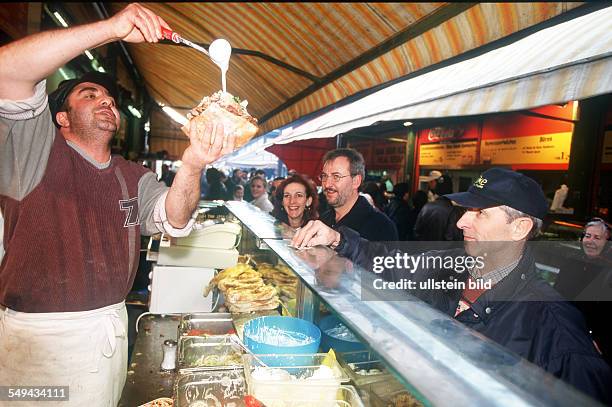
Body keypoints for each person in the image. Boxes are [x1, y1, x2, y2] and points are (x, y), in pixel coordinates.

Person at [0, 4, 235, 405]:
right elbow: (7, 71)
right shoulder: (32, 151)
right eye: (90, 94)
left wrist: (193, 163)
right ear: (61, 117)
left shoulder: (132, 175)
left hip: (110, 332)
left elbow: (175, 219)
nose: (106, 101)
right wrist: (111, 29)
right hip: (37, 347)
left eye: (110, 97)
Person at [292, 168, 612, 403]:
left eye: (480, 213)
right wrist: (338, 237)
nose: (460, 222)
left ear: (520, 228)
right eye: (464, 211)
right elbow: (383, 258)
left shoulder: (554, 327)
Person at [554, 218, 612, 366]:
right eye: (587, 236)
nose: (590, 241)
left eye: (597, 238)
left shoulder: (608, 271)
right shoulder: (571, 263)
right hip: (564, 335)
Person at [318, 148, 397, 241]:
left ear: (356, 181)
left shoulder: (381, 226)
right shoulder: (324, 219)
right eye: (324, 176)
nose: (327, 184)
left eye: (336, 176)